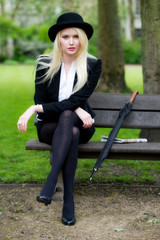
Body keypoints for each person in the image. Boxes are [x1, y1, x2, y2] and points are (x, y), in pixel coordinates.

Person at [17, 12, 102, 226]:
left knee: (70, 121)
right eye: (66, 37)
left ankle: (52, 180)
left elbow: (72, 100)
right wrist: (75, 108)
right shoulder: (45, 64)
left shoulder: (92, 65)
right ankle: (68, 200)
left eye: (76, 36)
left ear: (82, 39)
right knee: (68, 122)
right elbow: (44, 100)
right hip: (50, 127)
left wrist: (38, 108)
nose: (71, 42)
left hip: (83, 126)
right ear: (58, 40)